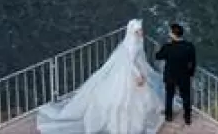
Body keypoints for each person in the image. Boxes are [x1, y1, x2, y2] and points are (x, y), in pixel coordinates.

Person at [36, 19, 164, 134]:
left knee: (137, 98)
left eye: (141, 30)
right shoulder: (132, 45)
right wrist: (138, 75)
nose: (141, 32)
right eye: (138, 30)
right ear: (133, 32)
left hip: (133, 72)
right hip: (131, 73)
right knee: (124, 99)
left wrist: (142, 72)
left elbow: (136, 60)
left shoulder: (134, 42)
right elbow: (130, 62)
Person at [154, 22, 196, 125]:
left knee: (169, 96)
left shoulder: (168, 47)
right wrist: (190, 73)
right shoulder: (189, 46)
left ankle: (169, 116)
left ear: (173, 34)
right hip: (184, 76)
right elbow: (193, 62)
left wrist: (158, 48)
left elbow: (158, 56)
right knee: (186, 97)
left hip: (170, 76)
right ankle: (187, 118)